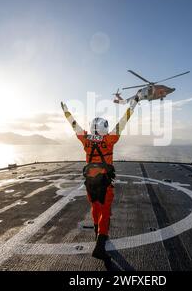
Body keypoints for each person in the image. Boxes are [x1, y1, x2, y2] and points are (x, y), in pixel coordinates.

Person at [61, 96, 139, 260]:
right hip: (105, 184)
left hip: (90, 183)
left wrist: (66, 112)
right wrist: (133, 105)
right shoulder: (110, 139)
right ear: (104, 128)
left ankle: (97, 234)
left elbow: (74, 124)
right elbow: (123, 122)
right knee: (105, 212)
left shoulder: (85, 139)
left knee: (95, 208)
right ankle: (100, 245)